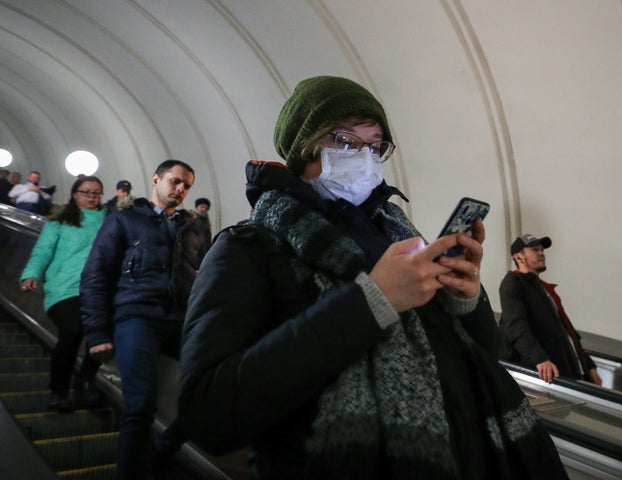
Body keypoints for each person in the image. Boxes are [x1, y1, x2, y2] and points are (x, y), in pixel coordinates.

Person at [178, 76, 568, 480]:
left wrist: (465, 302)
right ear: (304, 147)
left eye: (374, 145)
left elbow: (484, 356)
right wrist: (371, 302)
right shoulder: (249, 248)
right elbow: (209, 412)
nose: (363, 157)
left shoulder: (398, 234)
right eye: (346, 141)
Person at [80, 160, 208, 479]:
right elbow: (96, 274)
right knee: (140, 406)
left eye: (187, 186)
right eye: (175, 181)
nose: (180, 189)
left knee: (212, 390)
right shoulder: (124, 220)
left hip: (181, 321)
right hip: (137, 316)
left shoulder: (193, 229)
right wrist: (97, 332)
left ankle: (161, 450)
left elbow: (204, 279)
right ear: (156, 179)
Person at [20, 176, 105, 412]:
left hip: (97, 289)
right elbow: (43, 251)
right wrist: (32, 273)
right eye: (86, 192)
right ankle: (58, 391)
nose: (91, 196)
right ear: (75, 194)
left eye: (97, 193)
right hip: (63, 287)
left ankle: (85, 382)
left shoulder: (109, 222)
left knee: (99, 333)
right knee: (72, 330)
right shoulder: (59, 221)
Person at [498, 233, 602, 385]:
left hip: (569, 373)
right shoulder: (513, 283)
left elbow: (566, 332)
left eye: (542, 250)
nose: (541, 253)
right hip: (547, 377)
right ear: (518, 257)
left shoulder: (543, 288)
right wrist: (539, 358)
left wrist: (589, 366)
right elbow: (515, 325)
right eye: (534, 250)